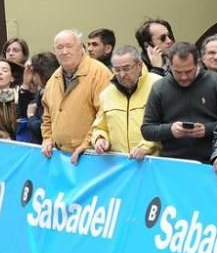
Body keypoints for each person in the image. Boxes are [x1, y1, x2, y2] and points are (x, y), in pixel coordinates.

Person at [141, 41, 217, 163]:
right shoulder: (159, 88)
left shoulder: (215, 82)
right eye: (178, 72)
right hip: (171, 162)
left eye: (188, 71)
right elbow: (147, 129)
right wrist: (170, 130)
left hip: (210, 161)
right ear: (169, 66)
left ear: (198, 63)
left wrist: (206, 130)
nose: (183, 77)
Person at [40, 30, 113, 161]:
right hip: (60, 158)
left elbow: (105, 114)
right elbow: (47, 115)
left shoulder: (99, 73)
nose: (64, 52)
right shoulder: (54, 78)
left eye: (69, 46)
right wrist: (47, 138)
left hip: (92, 157)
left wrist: (87, 144)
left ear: (81, 47)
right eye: (59, 47)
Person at [85, 45, 161, 161]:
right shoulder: (107, 94)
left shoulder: (158, 85)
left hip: (153, 162)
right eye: (117, 70)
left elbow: (166, 124)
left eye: (126, 69)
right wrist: (100, 139)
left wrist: (146, 147)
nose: (122, 75)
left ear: (139, 65)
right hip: (120, 165)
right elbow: (99, 127)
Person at [20, 52, 59, 143]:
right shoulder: (41, 91)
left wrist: (31, 117)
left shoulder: (54, 93)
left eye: (33, 73)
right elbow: (22, 112)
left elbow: (42, 127)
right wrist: (25, 84)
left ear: (40, 74)